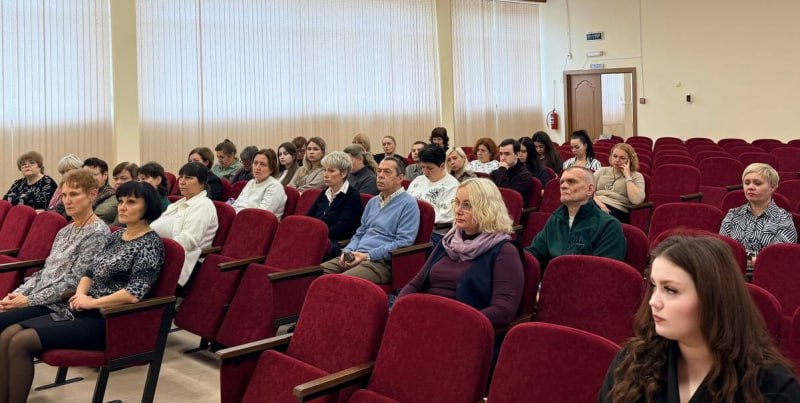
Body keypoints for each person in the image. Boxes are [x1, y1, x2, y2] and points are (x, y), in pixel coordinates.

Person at [0, 181, 165, 403]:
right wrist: (81, 294)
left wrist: (92, 303)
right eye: (121, 201)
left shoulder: (150, 244)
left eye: (131, 202)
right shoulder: (117, 236)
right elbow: (89, 272)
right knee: (9, 334)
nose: (122, 207)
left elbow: (134, 292)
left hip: (108, 319)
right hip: (81, 308)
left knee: (21, 341)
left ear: (149, 207)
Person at [598, 235, 800, 402]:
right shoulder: (632, 361)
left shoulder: (773, 387)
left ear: (712, 298)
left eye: (670, 290)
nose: (653, 301)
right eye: (653, 286)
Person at [397, 178, 523, 328]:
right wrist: (400, 308)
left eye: (467, 205)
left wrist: (456, 324)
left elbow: (503, 310)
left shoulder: (504, 251)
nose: (458, 210)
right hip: (425, 316)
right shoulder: (449, 241)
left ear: (487, 208)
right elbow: (415, 284)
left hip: (460, 328)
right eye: (456, 203)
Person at [0, 169, 109, 333]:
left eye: (74, 194)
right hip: (39, 297)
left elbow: (75, 282)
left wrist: (28, 300)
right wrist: (13, 296)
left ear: (92, 195)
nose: (67, 201)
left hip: (59, 304)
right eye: (64, 195)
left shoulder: (98, 233)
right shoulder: (65, 230)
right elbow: (45, 272)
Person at [320, 157, 420, 284]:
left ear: (400, 178)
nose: (380, 176)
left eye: (387, 172)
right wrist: (347, 251)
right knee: (313, 275)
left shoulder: (409, 204)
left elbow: (403, 242)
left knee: (339, 283)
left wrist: (367, 256)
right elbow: (360, 233)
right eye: (379, 171)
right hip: (356, 254)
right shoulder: (373, 202)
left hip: (380, 262)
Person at [526, 166, 626, 270]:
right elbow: (535, 253)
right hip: (551, 282)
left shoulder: (609, 226)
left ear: (590, 189)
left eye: (571, 181)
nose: (563, 186)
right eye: (562, 182)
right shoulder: (555, 219)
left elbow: (602, 272)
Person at [151, 162, 218, 287]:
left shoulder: (204, 205)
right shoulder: (178, 203)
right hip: (160, 254)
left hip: (182, 260)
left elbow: (187, 241)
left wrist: (151, 249)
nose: (181, 182)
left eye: (188, 178)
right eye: (181, 177)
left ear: (202, 183)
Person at [720, 163, 797, 264]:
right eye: (747, 183)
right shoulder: (733, 214)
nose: (750, 187)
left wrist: (737, 259)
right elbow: (721, 250)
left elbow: (776, 257)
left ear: (772, 187)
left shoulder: (784, 219)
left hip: (766, 275)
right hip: (731, 272)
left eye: (758, 183)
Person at [307, 151, 364, 259]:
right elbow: (308, 217)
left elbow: (340, 230)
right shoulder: (324, 193)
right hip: (317, 237)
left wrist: (315, 234)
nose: (325, 174)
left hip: (335, 243)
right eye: (325, 170)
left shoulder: (352, 196)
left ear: (343, 173)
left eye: (331, 171)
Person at [407, 145, 459, 244]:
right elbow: (404, 203)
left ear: (442, 166)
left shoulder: (452, 186)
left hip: (434, 234)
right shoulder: (418, 180)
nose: (425, 172)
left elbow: (445, 218)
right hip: (409, 227)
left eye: (430, 168)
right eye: (423, 167)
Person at [593, 143, 646, 223]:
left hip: (617, 210)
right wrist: (600, 205)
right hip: (596, 204)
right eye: (615, 156)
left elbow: (637, 200)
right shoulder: (601, 171)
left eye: (622, 158)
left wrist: (627, 176)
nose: (617, 160)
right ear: (610, 157)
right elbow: (587, 191)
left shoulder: (636, 176)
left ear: (630, 160)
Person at [231, 149, 287, 219]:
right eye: (255, 163)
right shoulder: (251, 182)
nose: (257, 168)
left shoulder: (275, 187)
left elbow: (260, 215)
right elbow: (236, 204)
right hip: (240, 219)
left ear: (272, 169)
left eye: (262, 164)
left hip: (260, 225)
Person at [490, 139, 535, 206]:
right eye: (501, 154)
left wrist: (503, 169)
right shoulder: (496, 172)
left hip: (510, 211)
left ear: (517, 155)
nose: (502, 158)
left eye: (507, 154)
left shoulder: (524, 176)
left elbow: (507, 196)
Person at [83, 157, 118, 225]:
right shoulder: (79, 194)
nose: (88, 178)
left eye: (93, 175)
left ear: (105, 175)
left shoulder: (114, 197)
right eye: (85, 175)